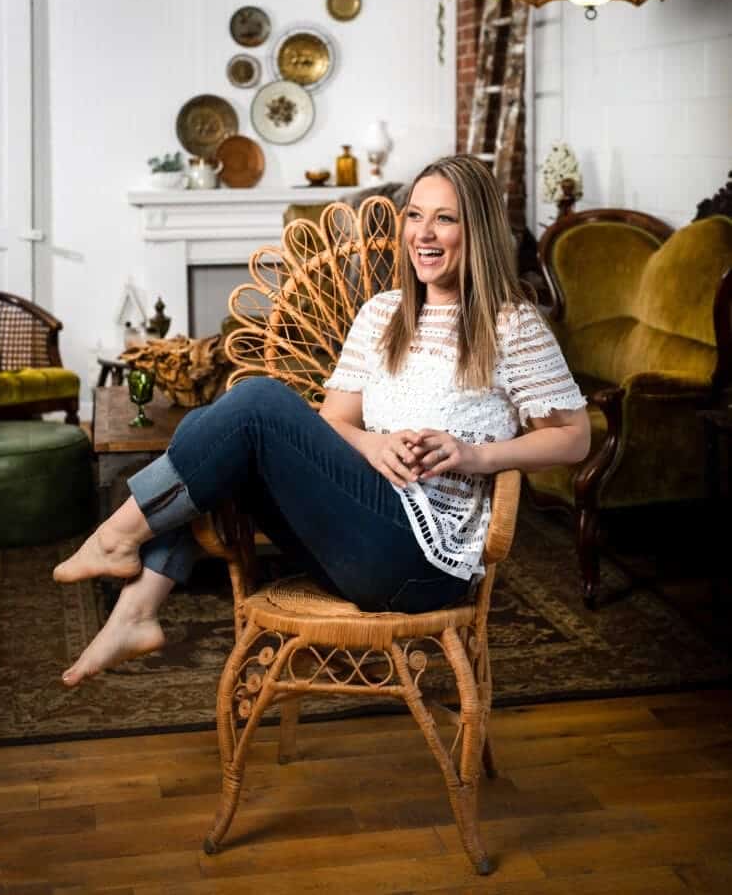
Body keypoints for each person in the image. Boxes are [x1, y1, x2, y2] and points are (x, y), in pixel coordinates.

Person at [55, 154, 590, 686]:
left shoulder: (512, 324)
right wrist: (373, 445)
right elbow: (335, 422)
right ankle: (137, 612)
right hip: (351, 531)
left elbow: (573, 439)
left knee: (257, 401)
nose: (424, 234)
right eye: (415, 215)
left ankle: (117, 539)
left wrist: (476, 454)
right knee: (208, 430)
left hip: (422, 560)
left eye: (445, 219)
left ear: (478, 231)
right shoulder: (382, 314)